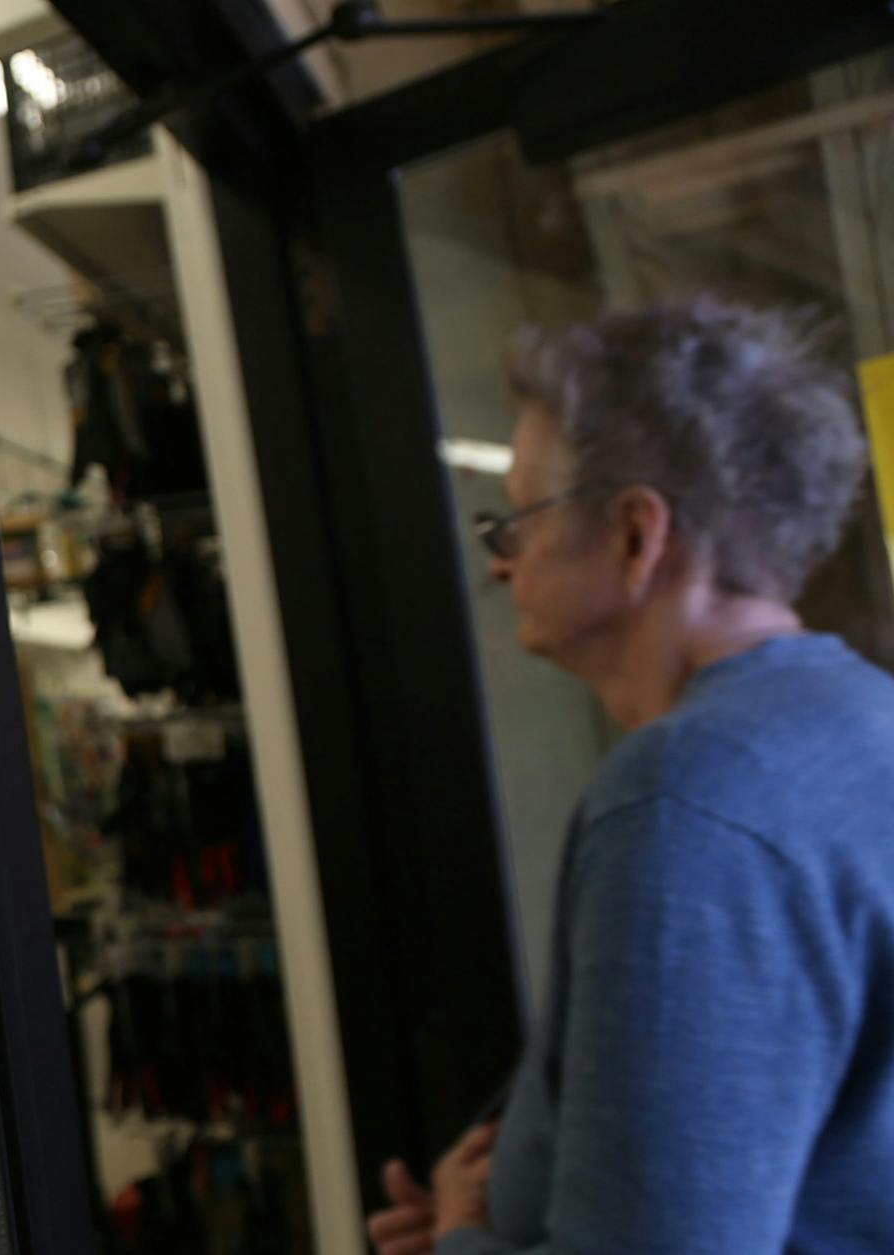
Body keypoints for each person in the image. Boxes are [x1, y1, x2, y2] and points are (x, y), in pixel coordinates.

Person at [365, 294, 894, 1254]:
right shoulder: (866, 722)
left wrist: (462, 1241)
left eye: (515, 522)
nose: (499, 564)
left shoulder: (683, 798)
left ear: (634, 535)